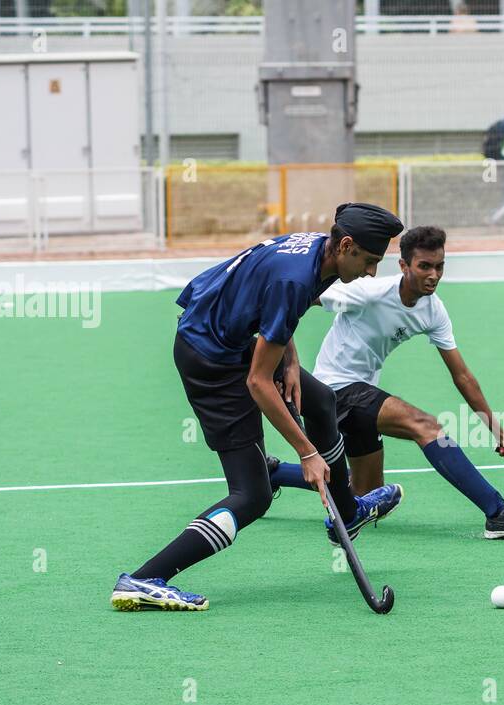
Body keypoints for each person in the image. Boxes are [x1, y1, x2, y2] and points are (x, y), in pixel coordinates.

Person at [110, 203, 406, 612]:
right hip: (211, 361)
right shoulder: (295, 278)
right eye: (370, 261)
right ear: (347, 245)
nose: (372, 272)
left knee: (319, 398)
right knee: (252, 496)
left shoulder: (318, 251)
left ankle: (348, 510)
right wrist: (307, 453)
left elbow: (281, 313)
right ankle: (144, 578)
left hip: (228, 338)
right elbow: (256, 383)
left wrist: (288, 358)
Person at [267, 225, 504, 540]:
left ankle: (274, 473)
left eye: (439, 266)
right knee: (425, 425)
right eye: (424, 266)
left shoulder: (433, 310)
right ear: (404, 266)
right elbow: (293, 298)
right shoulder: (369, 293)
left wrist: (499, 433)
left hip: (363, 393)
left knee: (363, 492)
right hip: (332, 390)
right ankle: (497, 513)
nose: (433, 275)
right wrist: (288, 360)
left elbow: (462, 375)